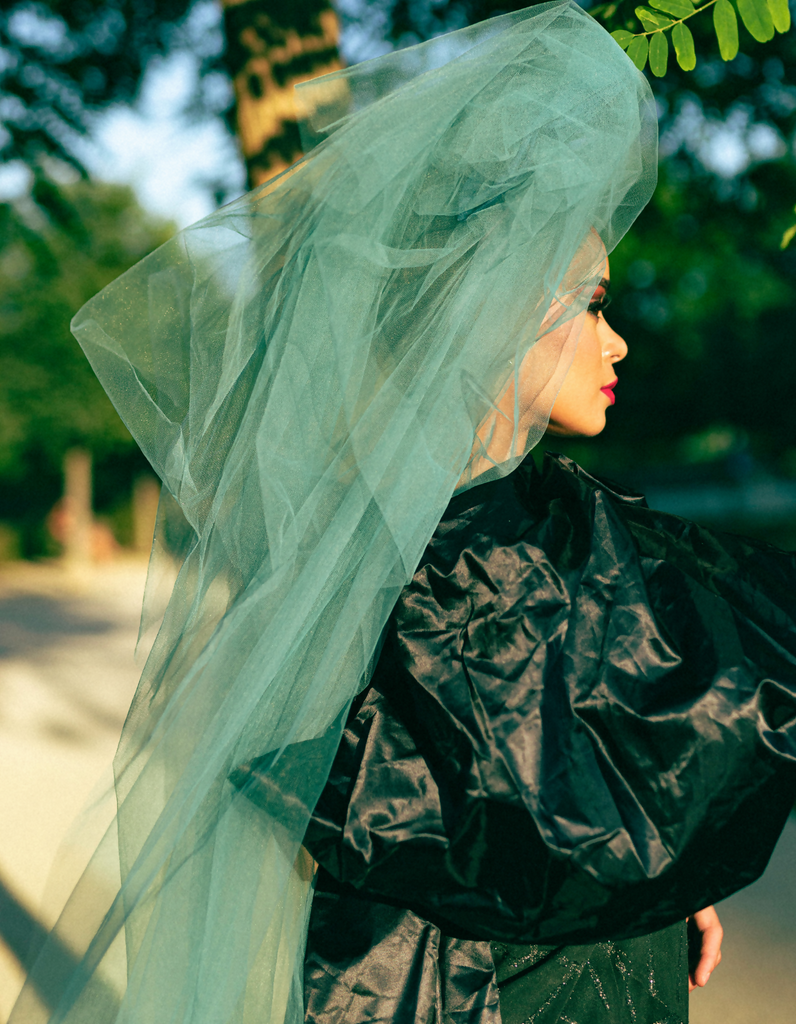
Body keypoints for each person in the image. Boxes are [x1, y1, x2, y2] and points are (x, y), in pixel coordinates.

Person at [11, 3, 796, 1024]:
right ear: (498, 305)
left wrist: (656, 891)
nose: (618, 345)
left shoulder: (542, 531)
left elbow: (600, 805)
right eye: (593, 302)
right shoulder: (399, 566)